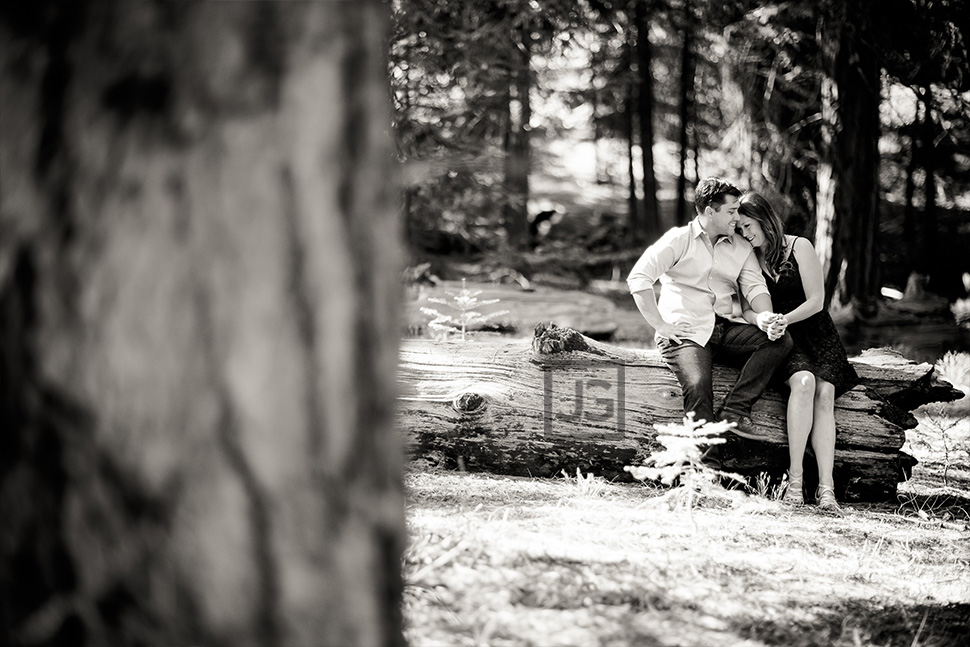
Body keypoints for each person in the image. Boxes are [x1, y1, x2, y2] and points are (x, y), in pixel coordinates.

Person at [627, 178, 793, 443]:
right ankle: (705, 476)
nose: (737, 218)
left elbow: (755, 288)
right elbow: (639, 278)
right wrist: (660, 325)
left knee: (779, 340)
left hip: (726, 329)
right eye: (731, 211)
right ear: (709, 211)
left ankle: (735, 411)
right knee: (698, 386)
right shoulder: (679, 239)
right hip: (686, 331)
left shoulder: (741, 247)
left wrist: (766, 318)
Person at [736, 191, 859, 512]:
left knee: (825, 392)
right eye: (739, 229)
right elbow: (746, 310)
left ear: (764, 220)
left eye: (748, 226)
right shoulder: (746, 258)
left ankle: (826, 488)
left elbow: (817, 300)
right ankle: (795, 479)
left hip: (817, 334)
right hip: (782, 340)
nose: (745, 234)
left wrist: (784, 318)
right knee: (804, 384)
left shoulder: (798, 246)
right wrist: (765, 323)